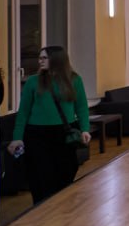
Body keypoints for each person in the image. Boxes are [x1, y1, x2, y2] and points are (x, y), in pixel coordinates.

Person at [6, 45, 91, 205]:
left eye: (44, 58)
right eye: (40, 57)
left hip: (64, 132)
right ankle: (41, 208)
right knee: (40, 176)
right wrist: (17, 137)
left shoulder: (74, 80)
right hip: (37, 134)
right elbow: (23, 112)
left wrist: (85, 129)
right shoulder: (33, 82)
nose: (40, 61)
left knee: (66, 171)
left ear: (56, 59)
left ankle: (60, 206)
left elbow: (81, 107)